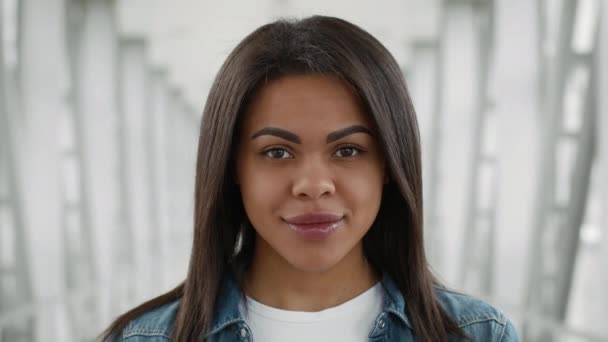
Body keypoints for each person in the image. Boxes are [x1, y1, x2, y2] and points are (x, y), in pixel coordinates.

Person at [101, 15, 519, 342]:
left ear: (390, 165)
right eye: (277, 152)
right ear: (231, 167)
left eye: (348, 150)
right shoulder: (143, 338)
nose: (313, 184)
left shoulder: (479, 334)